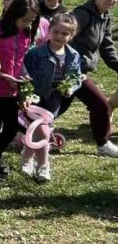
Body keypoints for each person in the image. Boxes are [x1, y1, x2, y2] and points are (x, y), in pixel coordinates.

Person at [0, 0, 38, 180]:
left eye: (31, 21)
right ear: (13, 15)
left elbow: (20, 61)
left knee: (12, 127)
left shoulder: (24, 36)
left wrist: (24, 74)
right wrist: (2, 75)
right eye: (24, 20)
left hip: (10, 92)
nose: (27, 24)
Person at [23, 13, 82, 182]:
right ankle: (40, 164)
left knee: (40, 129)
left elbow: (76, 77)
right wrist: (25, 93)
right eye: (56, 32)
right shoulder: (36, 53)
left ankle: (31, 161)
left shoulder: (73, 55)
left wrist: (70, 87)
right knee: (39, 129)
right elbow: (25, 72)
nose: (59, 36)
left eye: (65, 34)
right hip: (36, 95)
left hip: (55, 97)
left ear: (71, 36)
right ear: (49, 30)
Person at [62, 0, 118, 157]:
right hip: (70, 71)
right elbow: (65, 36)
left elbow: (107, 48)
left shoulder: (104, 18)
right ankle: (103, 144)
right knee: (100, 103)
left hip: (79, 71)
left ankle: (20, 130)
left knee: (56, 107)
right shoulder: (83, 14)